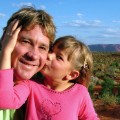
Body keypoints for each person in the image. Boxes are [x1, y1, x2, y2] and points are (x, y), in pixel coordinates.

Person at [0, 34, 99, 119]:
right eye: (51, 51)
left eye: (59, 57)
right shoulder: (30, 85)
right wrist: (6, 51)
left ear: (71, 74)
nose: (49, 55)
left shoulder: (80, 92)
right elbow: (5, 100)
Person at [0, 6, 56, 120]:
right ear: (5, 40)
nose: (34, 55)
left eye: (42, 47)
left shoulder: (39, 90)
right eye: (25, 41)